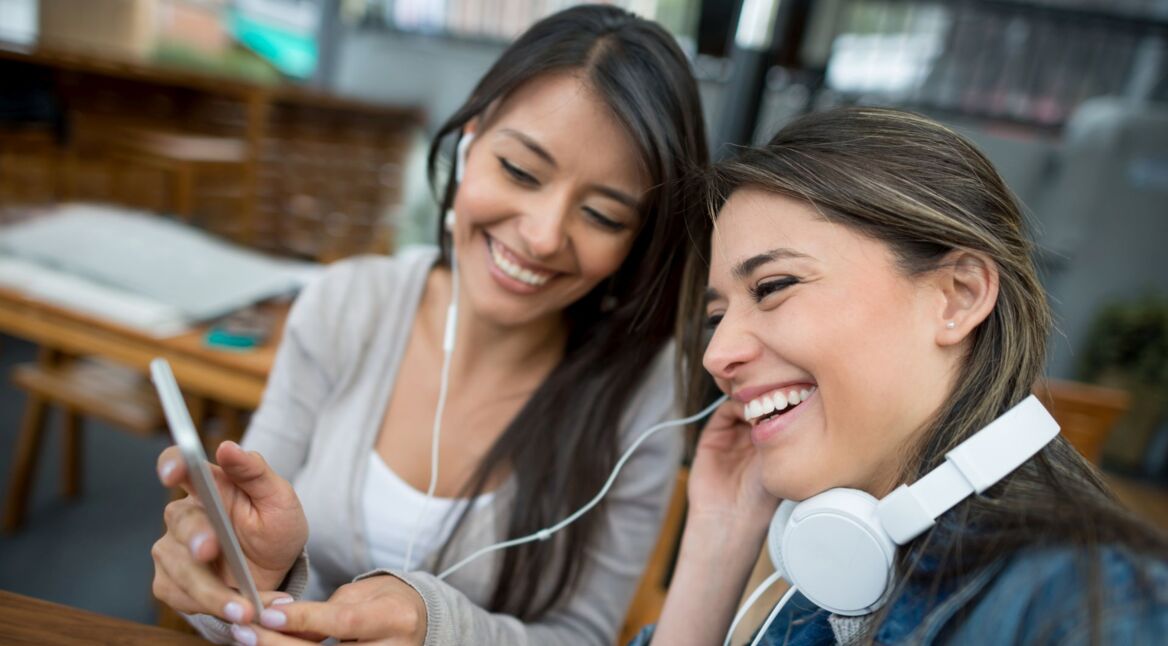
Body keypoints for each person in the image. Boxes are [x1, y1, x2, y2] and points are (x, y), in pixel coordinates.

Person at [151, 5, 709, 645]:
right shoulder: (347, 304)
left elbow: (583, 634)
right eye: (520, 171)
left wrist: (436, 630)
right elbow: (231, 589)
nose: (543, 235)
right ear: (470, 142)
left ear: (638, 243)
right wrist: (238, 581)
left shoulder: (641, 395)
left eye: (604, 216)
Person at [636, 107, 1168, 645]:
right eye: (716, 317)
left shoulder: (1097, 609)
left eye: (773, 287)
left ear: (957, 296)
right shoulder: (847, 577)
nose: (717, 354)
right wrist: (719, 537)